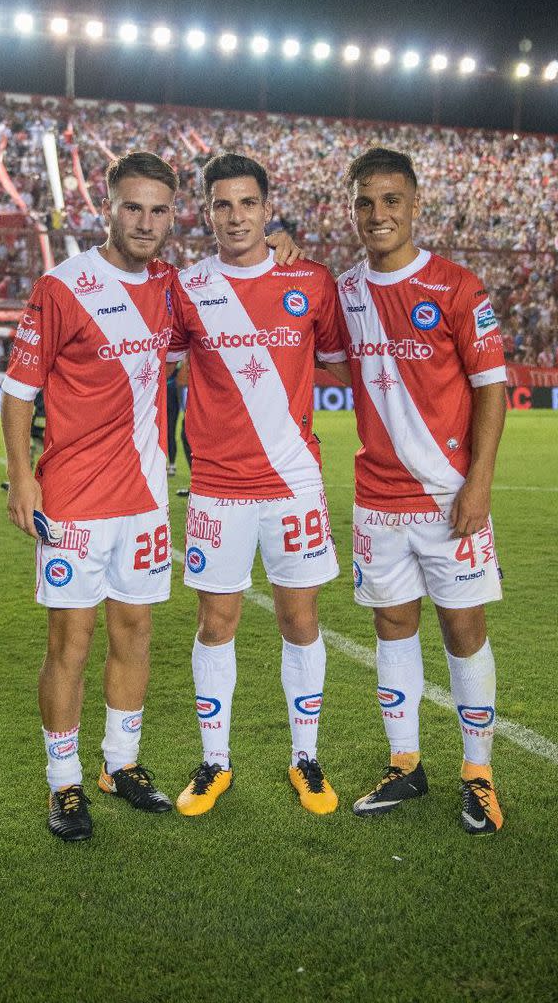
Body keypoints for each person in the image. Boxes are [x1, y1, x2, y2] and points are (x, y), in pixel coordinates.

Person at [1, 151, 180, 842]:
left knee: (134, 630)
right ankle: (64, 782)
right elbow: (19, 393)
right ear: (107, 207)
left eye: (158, 209)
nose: (144, 221)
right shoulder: (62, 285)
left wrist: (280, 241)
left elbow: (240, 280)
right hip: (73, 500)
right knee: (70, 642)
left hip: (143, 498)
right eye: (132, 207)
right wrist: (23, 475)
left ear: (171, 215)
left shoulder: (171, 286)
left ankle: (121, 764)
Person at [331, 147, 507, 834]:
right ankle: (406, 763)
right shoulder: (344, 292)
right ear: (354, 210)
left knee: (463, 628)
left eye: (391, 200)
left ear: (414, 204)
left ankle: (479, 774)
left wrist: (479, 484)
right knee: (392, 626)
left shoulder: (458, 287)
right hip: (377, 500)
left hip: (448, 500)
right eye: (366, 202)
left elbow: (493, 389)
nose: (378, 215)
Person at [168, 153, 344, 817]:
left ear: (268, 209)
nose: (236, 216)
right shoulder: (186, 288)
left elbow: (341, 361)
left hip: (295, 483)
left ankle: (307, 758)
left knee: (301, 619)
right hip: (217, 487)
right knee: (218, 622)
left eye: (248, 203)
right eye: (222, 205)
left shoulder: (311, 280)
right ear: (207, 212)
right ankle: (214, 760)